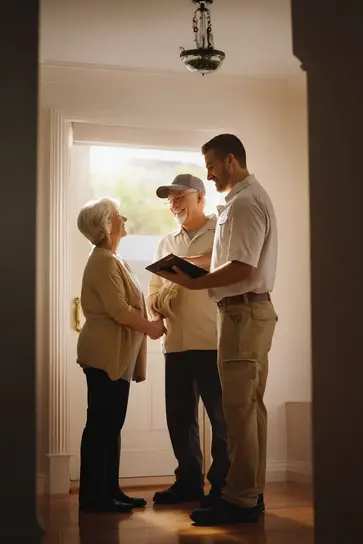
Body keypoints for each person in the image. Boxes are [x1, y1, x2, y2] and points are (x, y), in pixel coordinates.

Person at [157, 135, 278, 526]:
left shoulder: (244, 202)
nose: (208, 174)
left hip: (243, 314)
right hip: (242, 314)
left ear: (230, 160)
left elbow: (242, 266)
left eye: (210, 165)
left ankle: (240, 499)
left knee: (239, 413)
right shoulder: (241, 201)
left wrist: (193, 282)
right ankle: (245, 494)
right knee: (246, 411)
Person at [76, 197, 166, 513]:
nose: (124, 218)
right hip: (104, 353)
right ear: (105, 225)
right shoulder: (102, 260)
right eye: (118, 215)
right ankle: (94, 496)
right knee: (102, 425)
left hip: (116, 355)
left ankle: (108, 490)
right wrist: (151, 328)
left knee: (110, 424)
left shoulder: (113, 258)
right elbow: (119, 310)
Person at [148, 174, 230, 506]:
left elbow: (230, 272)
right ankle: (188, 483)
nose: (174, 204)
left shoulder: (222, 232)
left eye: (179, 196)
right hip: (177, 345)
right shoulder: (165, 242)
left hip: (212, 340)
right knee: (180, 418)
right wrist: (156, 310)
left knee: (221, 418)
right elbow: (153, 289)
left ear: (199, 197)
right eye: (169, 200)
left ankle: (224, 485)